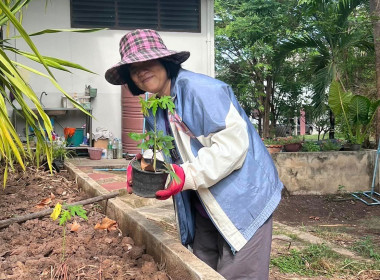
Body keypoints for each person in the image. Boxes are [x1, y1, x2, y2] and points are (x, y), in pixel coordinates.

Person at [105, 29, 283, 280]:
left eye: (149, 61)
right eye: (133, 68)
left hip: (242, 198)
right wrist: (144, 165)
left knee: (239, 272)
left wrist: (182, 175)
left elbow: (232, 148)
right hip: (202, 202)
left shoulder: (201, 90)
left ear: (166, 61)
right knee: (203, 267)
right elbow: (160, 148)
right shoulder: (155, 104)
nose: (141, 70)